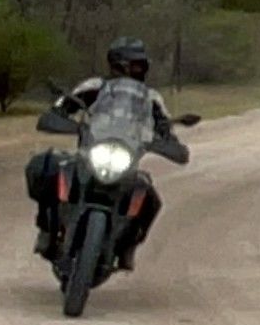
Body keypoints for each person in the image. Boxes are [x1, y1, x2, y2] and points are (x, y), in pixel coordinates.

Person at [25, 37, 180, 271]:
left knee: (150, 198)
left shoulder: (151, 98)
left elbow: (165, 126)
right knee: (45, 166)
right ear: (119, 64)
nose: (139, 70)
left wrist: (169, 141)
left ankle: (128, 246)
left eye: (141, 65)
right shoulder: (94, 86)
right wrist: (58, 116)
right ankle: (47, 228)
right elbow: (63, 106)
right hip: (90, 153)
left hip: (126, 159)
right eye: (135, 64)